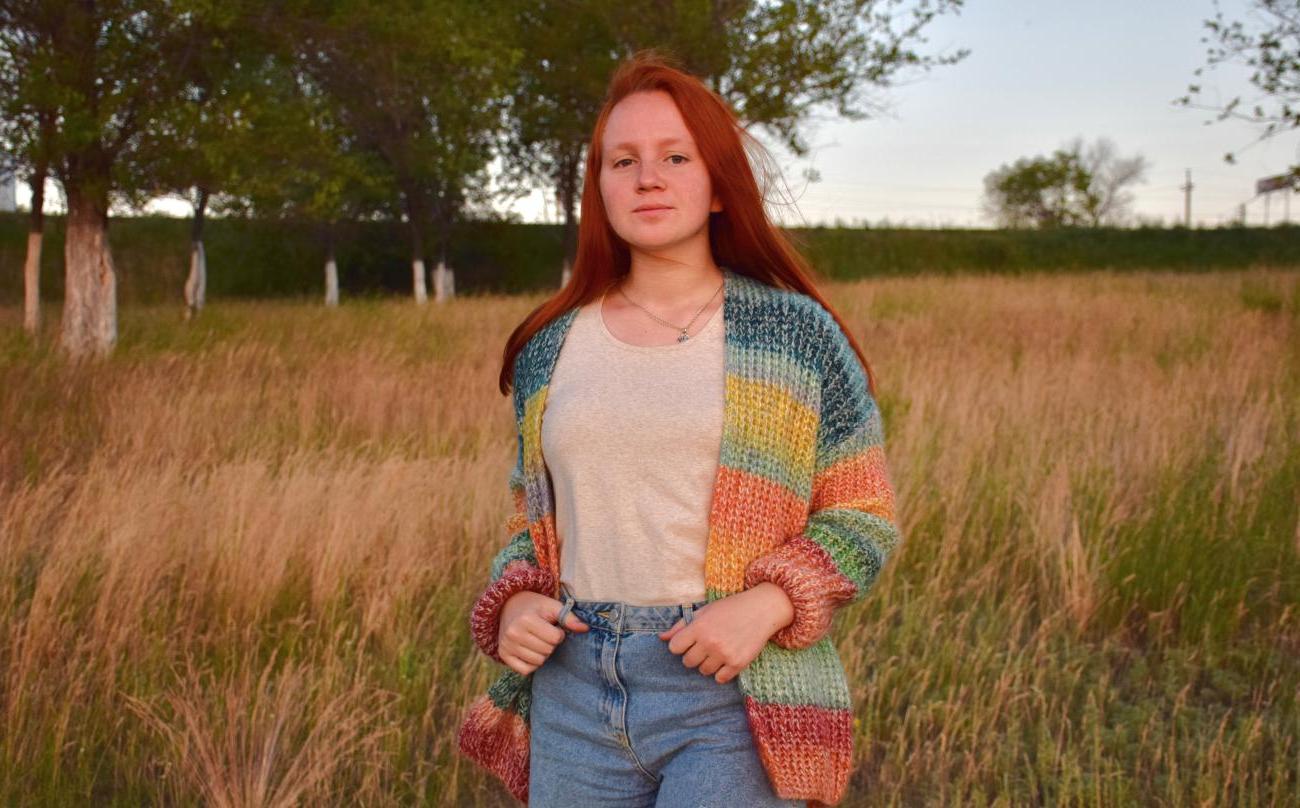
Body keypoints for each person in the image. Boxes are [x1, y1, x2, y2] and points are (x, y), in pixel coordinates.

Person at [457, 49, 901, 808]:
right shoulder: (550, 347)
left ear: (719, 184)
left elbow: (864, 517)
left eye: (674, 156)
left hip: (729, 692)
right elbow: (531, 524)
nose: (647, 177)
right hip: (572, 688)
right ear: (598, 189)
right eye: (621, 161)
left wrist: (766, 605)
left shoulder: (794, 336)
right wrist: (517, 601)